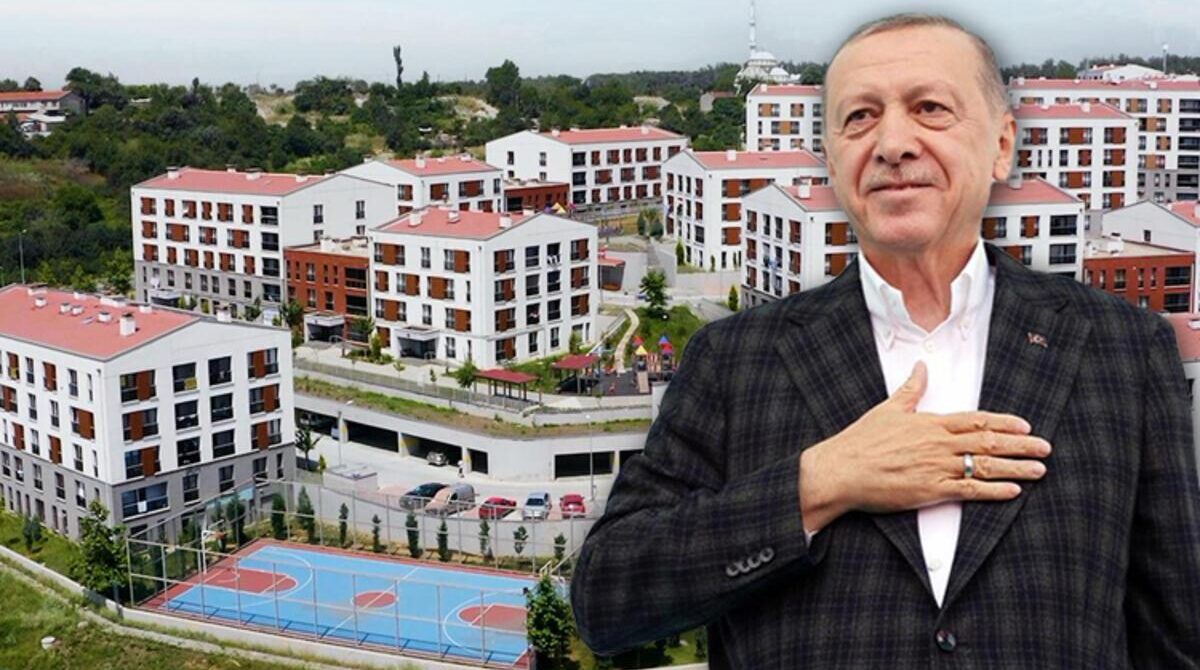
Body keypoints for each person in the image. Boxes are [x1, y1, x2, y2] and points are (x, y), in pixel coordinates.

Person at [570, 13, 1200, 667]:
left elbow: (1175, 640)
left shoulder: (1124, 351)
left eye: (930, 108)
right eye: (860, 117)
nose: (893, 143)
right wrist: (820, 482)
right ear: (832, 160)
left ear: (1002, 145)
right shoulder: (734, 361)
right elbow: (607, 599)